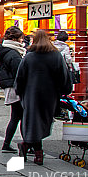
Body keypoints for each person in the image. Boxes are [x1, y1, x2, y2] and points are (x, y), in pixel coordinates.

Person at [14, 29, 73, 165]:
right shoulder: (56, 56)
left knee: (33, 122)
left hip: (31, 94)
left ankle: (27, 146)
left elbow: (20, 77)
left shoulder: (29, 56)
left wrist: (19, 91)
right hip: (50, 95)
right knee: (43, 122)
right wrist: (65, 90)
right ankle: (37, 153)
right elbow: (63, 76)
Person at [0, 26, 26, 153]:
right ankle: (27, 145)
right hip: (16, 87)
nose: (22, 41)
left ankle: (7, 144)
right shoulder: (13, 54)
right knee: (21, 117)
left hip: (10, 86)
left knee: (16, 116)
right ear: (15, 39)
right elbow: (19, 73)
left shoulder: (6, 50)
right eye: (20, 38)